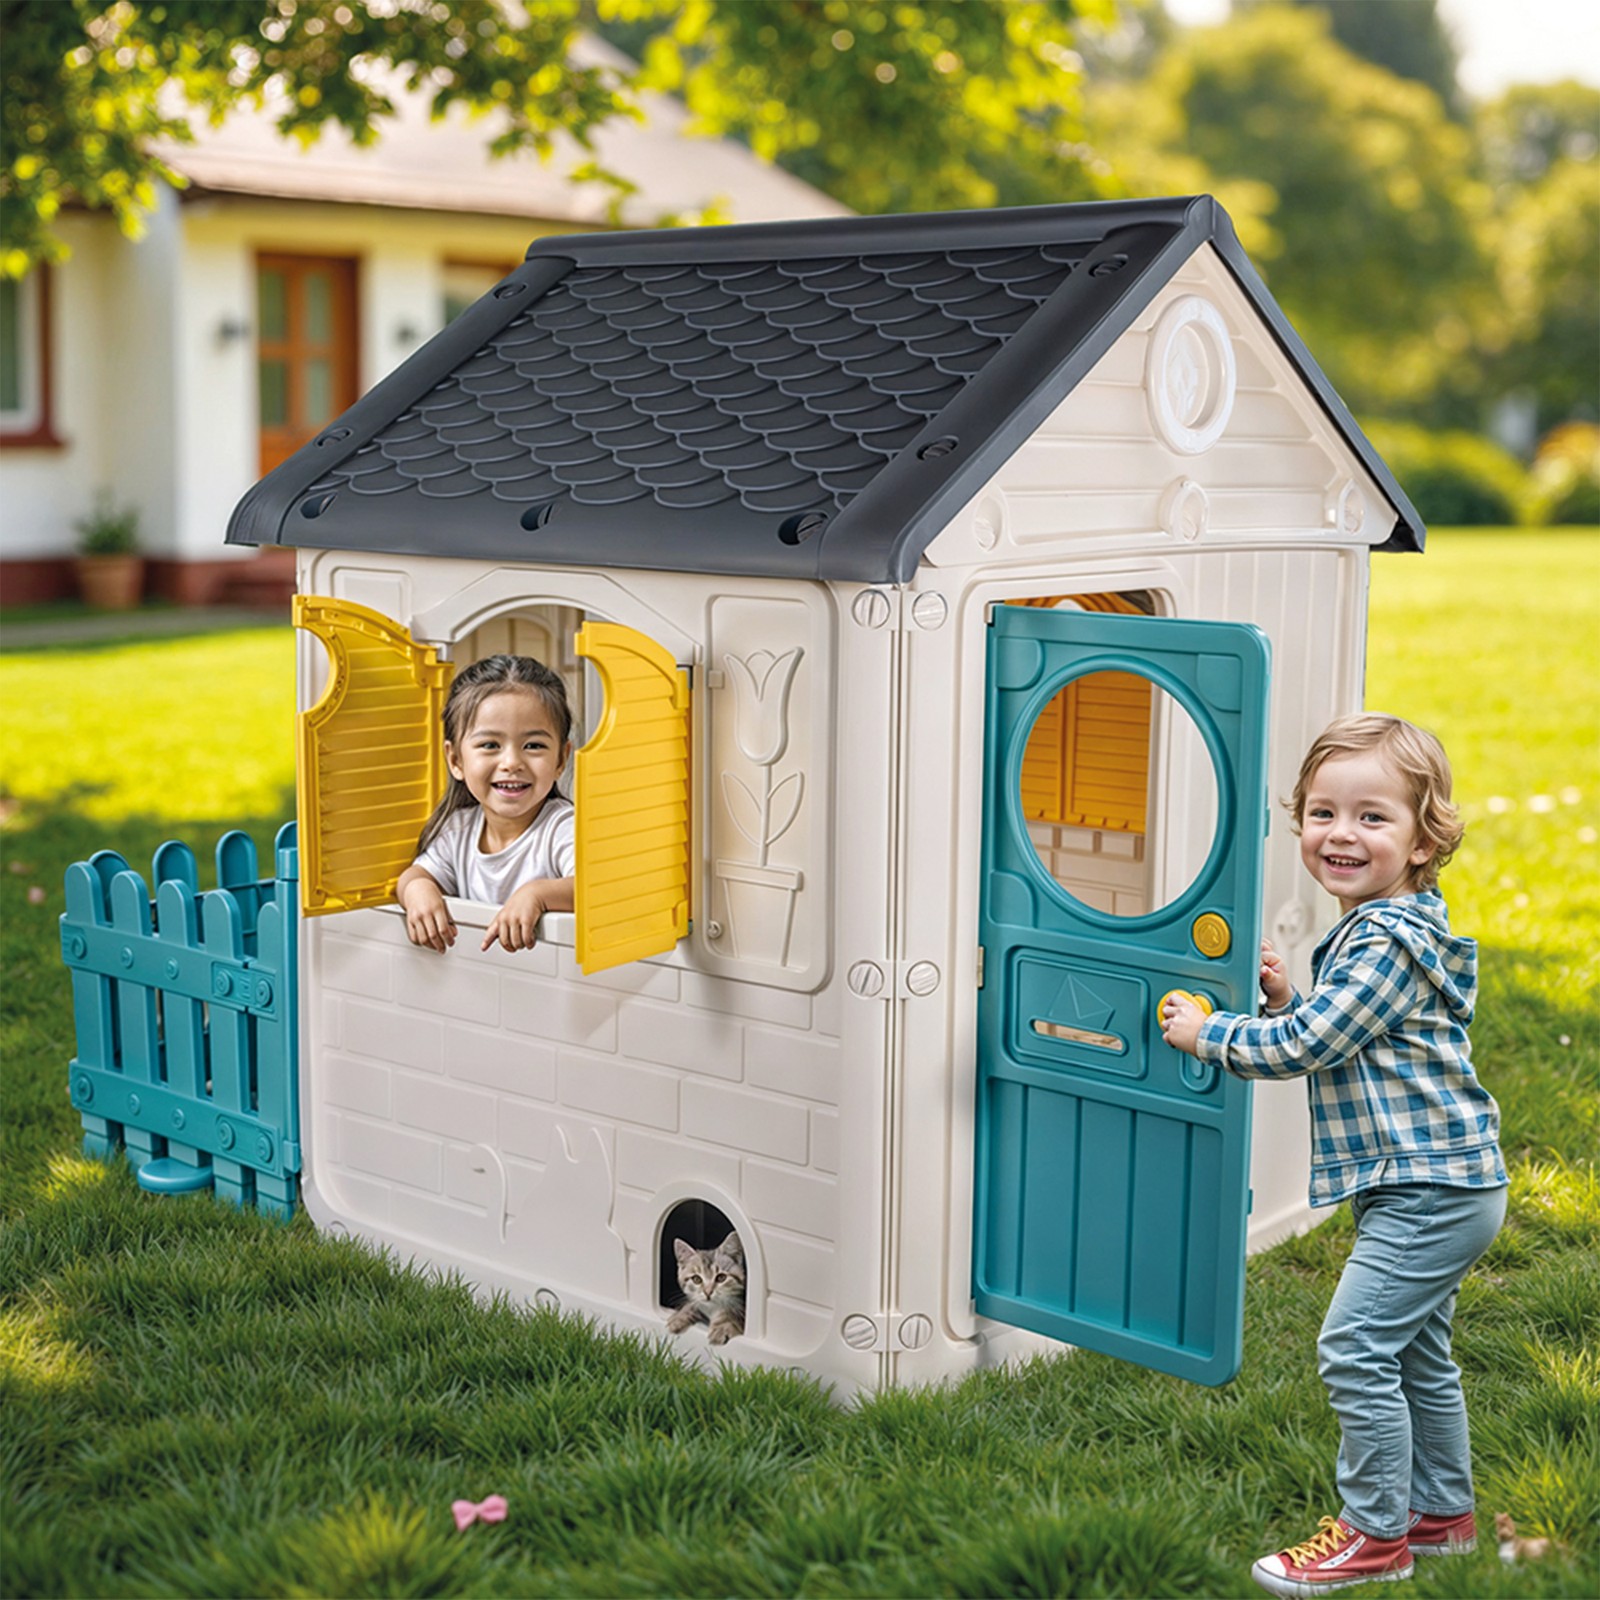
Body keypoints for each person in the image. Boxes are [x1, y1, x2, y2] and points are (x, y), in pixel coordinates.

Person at [1161, 713, 1507, 1597]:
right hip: (1438, 1183)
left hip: (1429, 1188)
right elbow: (1341, 1032)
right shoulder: (1382, 927)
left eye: (1372, 817)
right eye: (1323, 812)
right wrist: (1288, 997)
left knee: (1354, 1349)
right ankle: (1439, 1516)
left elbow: (1312, 1044)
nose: (1340, 834)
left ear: (1425, 838)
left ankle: (1373, 1535)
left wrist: (1212, 1034)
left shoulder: (1385, 938)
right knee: (1418, 1354)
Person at [396, 654, 576, 955]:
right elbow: (417, 874)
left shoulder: (562, 826)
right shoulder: (459, 828)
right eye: (490, 745)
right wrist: (418, 891)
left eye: (533, 746)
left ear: (561, 759)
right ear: (455, 760)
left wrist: (538, 894)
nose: (512, 763)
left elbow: (596, 887)